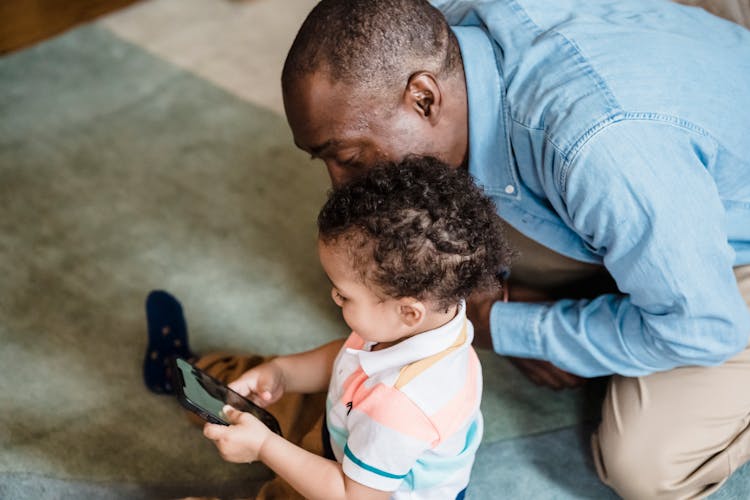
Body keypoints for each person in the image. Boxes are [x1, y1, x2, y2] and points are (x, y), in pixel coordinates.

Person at [277, 0, 750, 498]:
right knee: (369, 279)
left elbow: (702, 328)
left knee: (645, 466)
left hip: (724, 244)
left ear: (423, 97)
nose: (338, 186)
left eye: (348, 157)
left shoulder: (601, 153)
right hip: (665, 147)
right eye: (324, 159)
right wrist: (486, 293)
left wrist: (502, 323)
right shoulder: (429, 28)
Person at [199, 158, 510, 499]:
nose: (333, 297)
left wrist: (264, 448)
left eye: (344, 294)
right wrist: (282, 373)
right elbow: (349, 356)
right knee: (227, 383)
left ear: (408, 311)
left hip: (354, 490)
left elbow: (352, 496)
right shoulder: (426, 318)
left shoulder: (400, 406)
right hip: (346, 428)